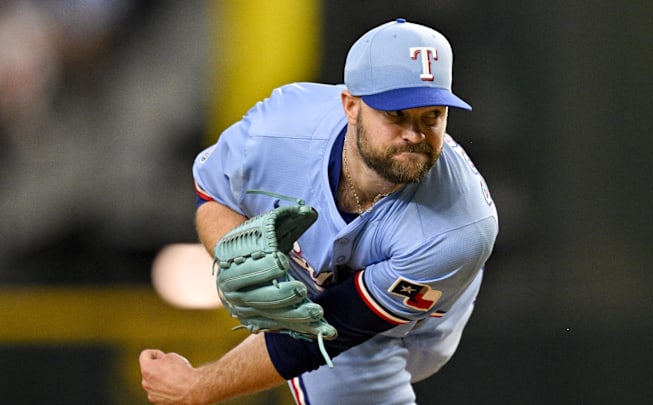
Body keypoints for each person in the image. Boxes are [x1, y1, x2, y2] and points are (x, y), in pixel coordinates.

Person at [140, 18, 498, 405]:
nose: (414, 134)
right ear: (351, 106)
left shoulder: (460, 226)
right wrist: (230, 248)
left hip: (418, 327)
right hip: (332, 296)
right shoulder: (278, 130)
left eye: (431, 116)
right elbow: (214, 192)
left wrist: (197, 387)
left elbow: (328, 329)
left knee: (342, 344)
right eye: (396, 114)